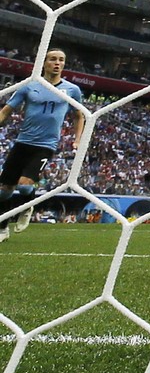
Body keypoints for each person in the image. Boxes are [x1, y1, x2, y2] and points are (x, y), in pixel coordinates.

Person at [0, 48, 86, 242]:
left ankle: (27, 205)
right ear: (44, 62)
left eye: (61, 60)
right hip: (22, 142)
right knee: (3, 191)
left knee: (24, 185)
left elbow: (78, 115)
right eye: (53, 59)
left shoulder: (72, 90)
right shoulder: (29, 86)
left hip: (46, 145)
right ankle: (3, 227)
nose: (57, 63)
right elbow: (6, 111)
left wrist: (77, 138)